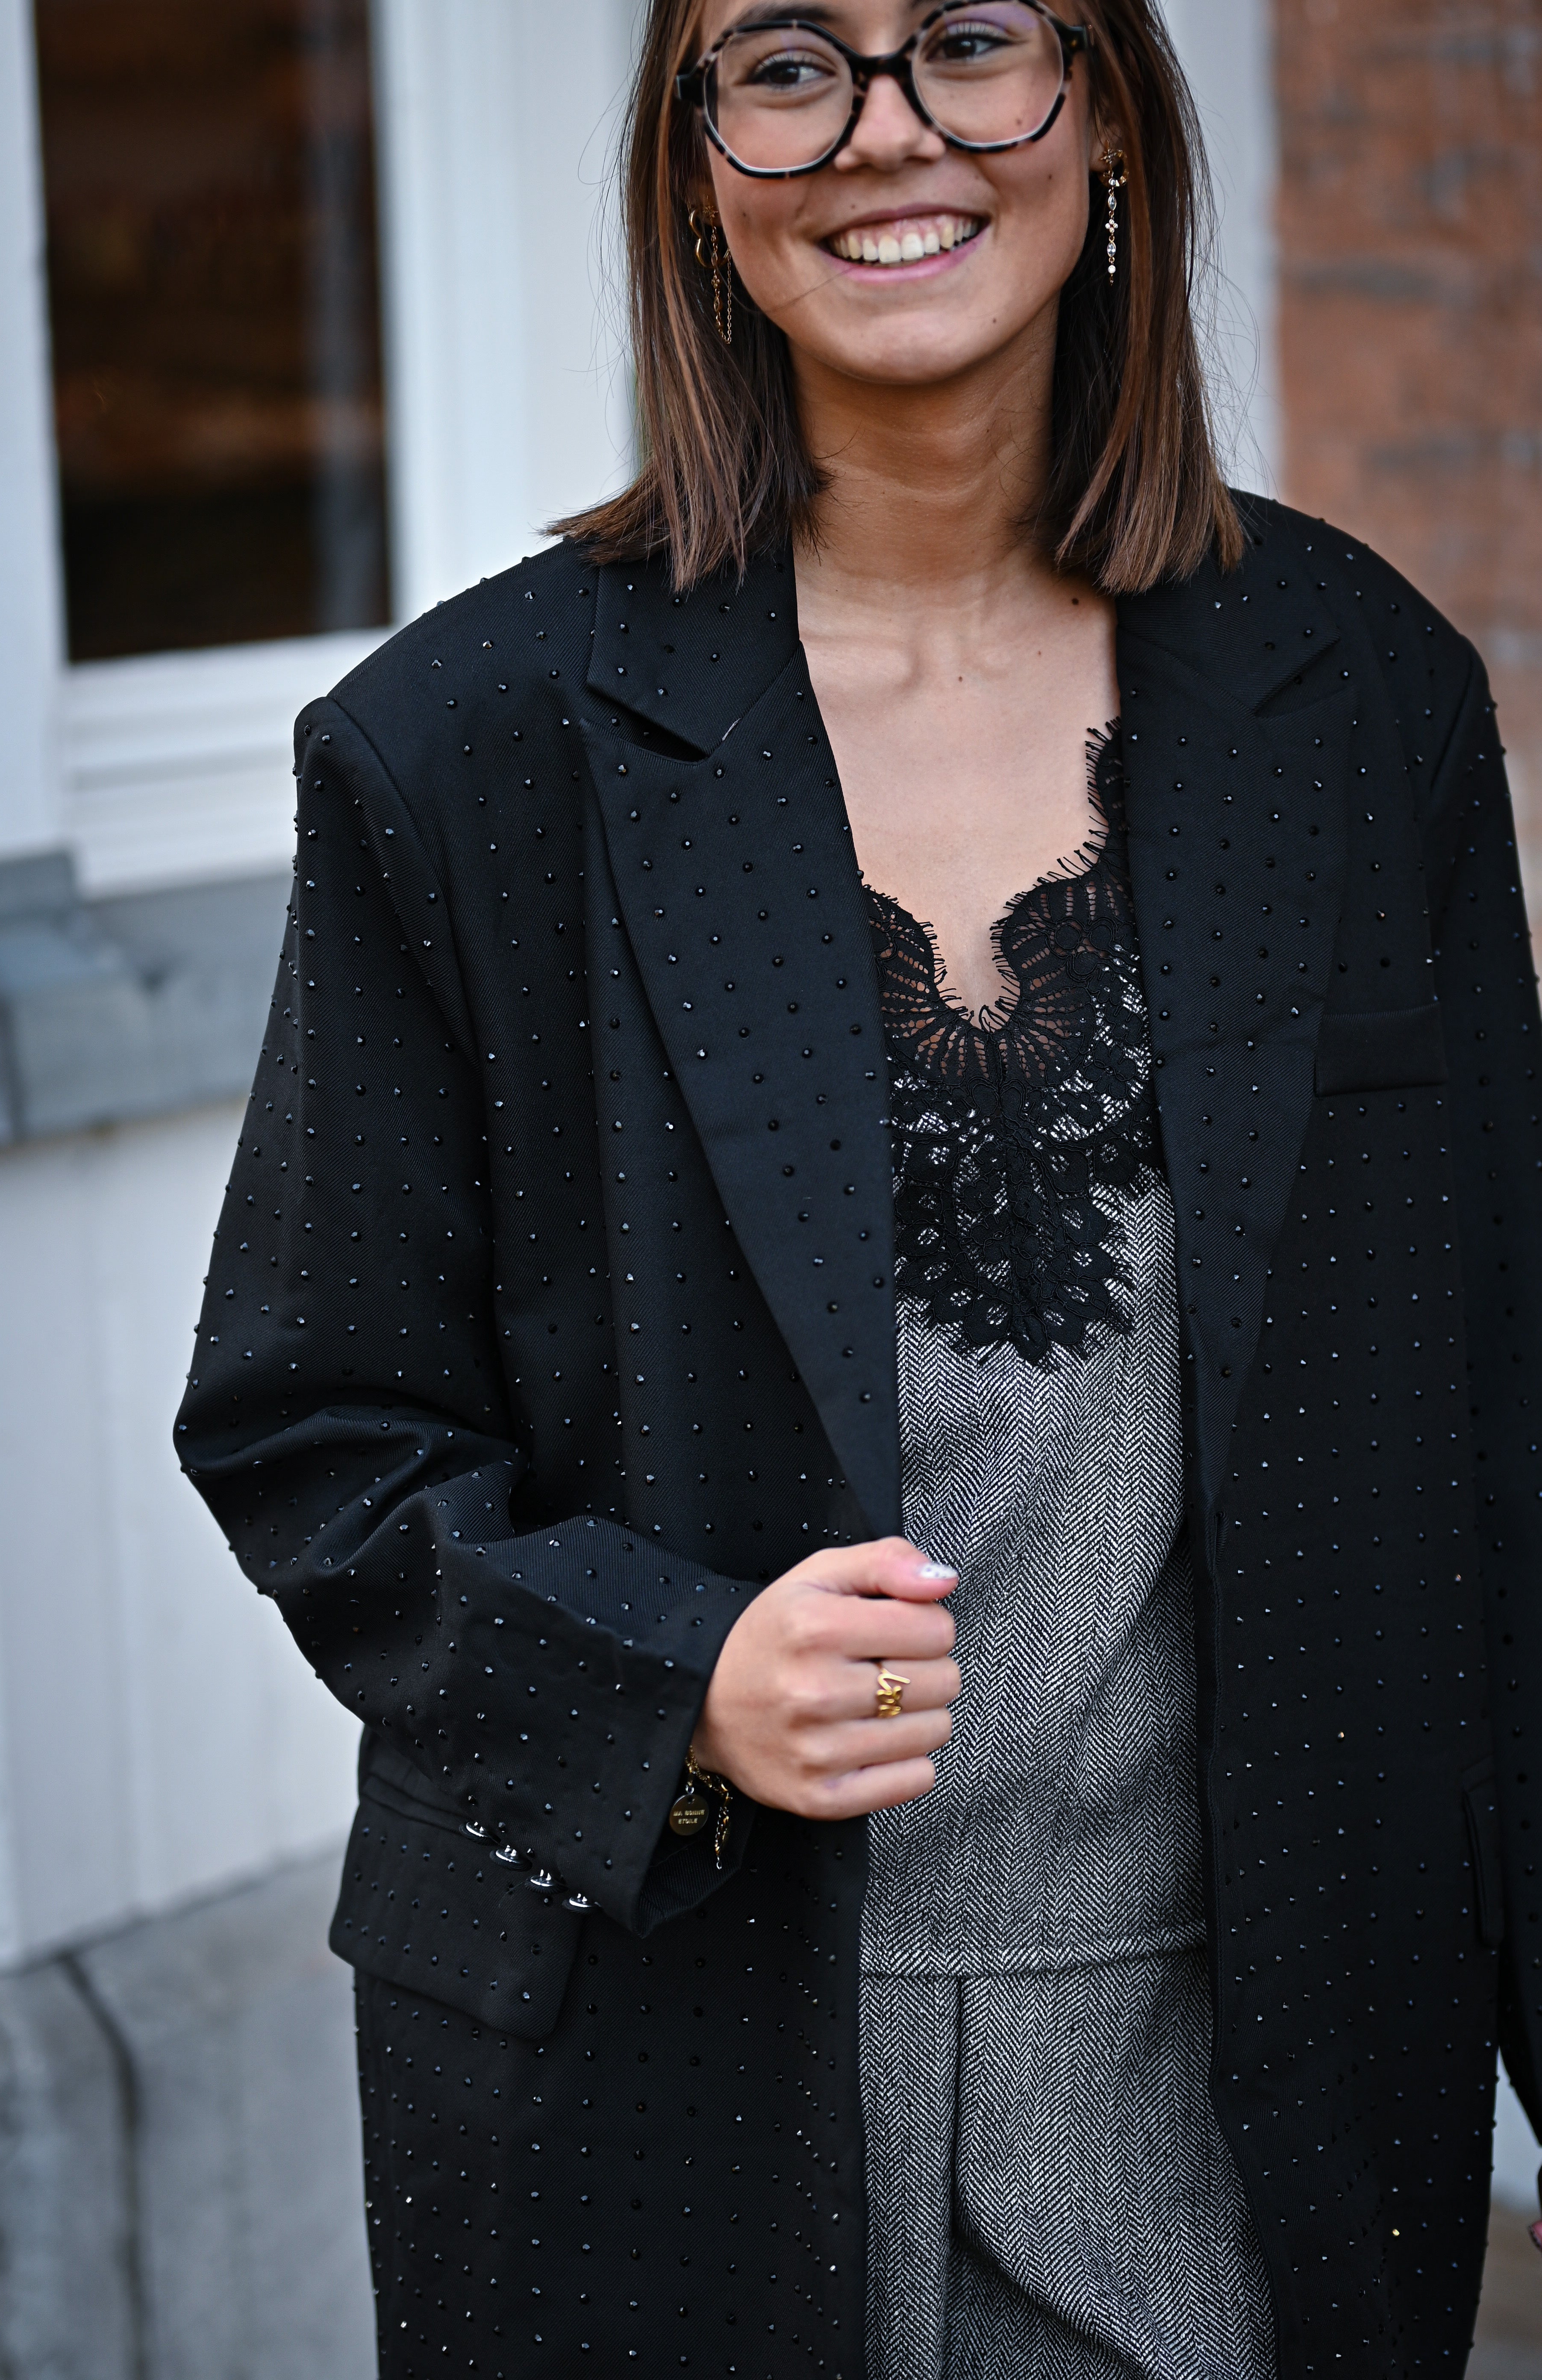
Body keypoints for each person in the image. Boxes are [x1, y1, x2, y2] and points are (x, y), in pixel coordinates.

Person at [176, 2, 1542, 2372]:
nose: (887, 132)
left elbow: (1501, 1428)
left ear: (1107, 117)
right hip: (664, 2086)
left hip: (1244, 2085)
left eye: (971, 42)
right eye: (790, 63)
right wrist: (677, 1675)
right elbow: (313, 1424)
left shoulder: (1362, 701)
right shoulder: (467, 749)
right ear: (697, 170)